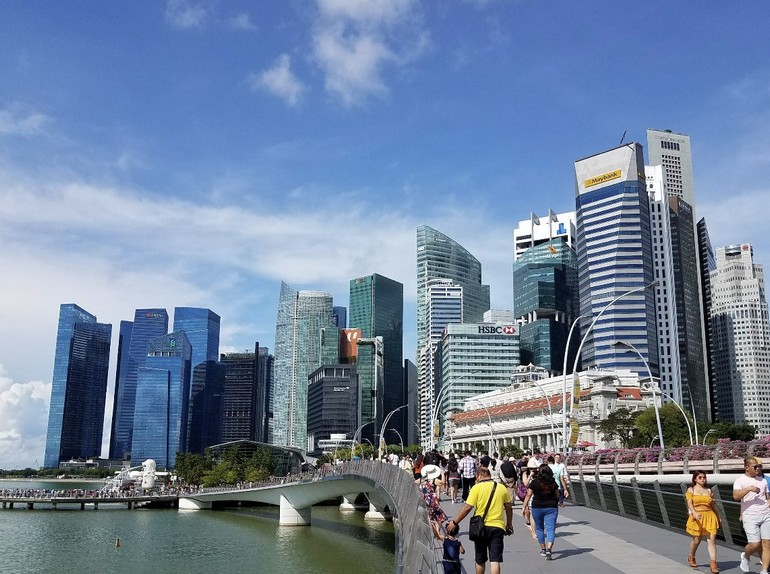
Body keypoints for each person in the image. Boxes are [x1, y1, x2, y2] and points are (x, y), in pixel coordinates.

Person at [447, 466, 513, 574]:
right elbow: (509, 508)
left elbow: (467, 508)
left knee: (480, 559)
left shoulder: (476, 488)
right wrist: (509, 524)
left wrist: (455, 522)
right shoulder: (501, 488)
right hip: (497, 527)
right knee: (495, 560)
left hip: (480, 528)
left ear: (480, 475)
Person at [733, 456, 770, 574]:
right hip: (750, 515)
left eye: (759, 466)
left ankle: (764, 570)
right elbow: (736, 496)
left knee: (767, 543)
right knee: (754, 544)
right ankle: (745, 555)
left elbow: (767, 497)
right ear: (746, 467)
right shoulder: (740, 480)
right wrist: (749, 489)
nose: (758, 468)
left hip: (766, 514)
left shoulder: (763, 480)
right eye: (755, 466)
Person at [522, 464, 560, 560]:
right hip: (551, 507)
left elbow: (528, 495)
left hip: (537, 507)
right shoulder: (553, 482)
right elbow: (557, 495)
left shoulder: (534, 482)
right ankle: (549, 549)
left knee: (539, 528)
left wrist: (524, 506)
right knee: (551, 529)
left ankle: (543, 549)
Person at [685, 471, 720, 573]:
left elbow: (713, 506)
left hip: (709, 516)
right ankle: (691, 556)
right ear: (695, 479)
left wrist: (718, 517)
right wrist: (694, 512)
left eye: (704, 477)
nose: (703, 479)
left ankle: (713, 563)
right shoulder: (691, 490)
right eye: (700, 477)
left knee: (712, 540)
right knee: (696, 540)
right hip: (697, 516)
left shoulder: (708, 490)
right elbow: (689, 503)